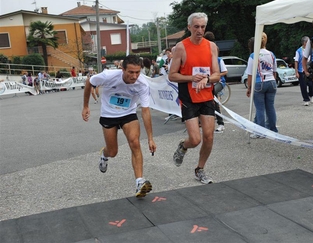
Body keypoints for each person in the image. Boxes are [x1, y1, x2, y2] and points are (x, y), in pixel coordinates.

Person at [81, 55, 156, 197]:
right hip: (109, 114)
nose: (134, 76)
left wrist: (150, 138)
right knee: (113, 152)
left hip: (128, 113)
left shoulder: (142, 84)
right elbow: (89, 82)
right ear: (122, 69)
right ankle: (104, 154)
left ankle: (140, 182)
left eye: (137, 72)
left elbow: (145, 111)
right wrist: (85, 106)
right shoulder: (108, 76)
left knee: (135, 142)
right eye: (131, 72)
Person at [168, 12, 220, 184]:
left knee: (209, 136)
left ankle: (200, 169)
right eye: (196, 27)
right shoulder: (181, 47)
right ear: (189, 27)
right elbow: (172, 75)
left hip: (206, 96)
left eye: (203, 27)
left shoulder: (211, 46)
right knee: (195, 140)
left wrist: (207, 79)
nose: (200, 30)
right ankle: (183, 146)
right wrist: (191, 78)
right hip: (189, 97)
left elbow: (216, 74)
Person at [246, 32, 278, 137]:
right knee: (270, 107)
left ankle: (260, 132)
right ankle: (273, 129)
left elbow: (250, 74)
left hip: (259, 82)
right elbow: (274, 71)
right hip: (271, 81)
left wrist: (249, 87)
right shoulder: (271, 54)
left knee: (260, 108)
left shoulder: (253, 55)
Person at [203, 31, 228, 133]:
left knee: (212, 94)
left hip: (219, 82)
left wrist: (216, 76)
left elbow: (225, 71)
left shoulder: (218, 59)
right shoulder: (205, 59)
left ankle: (221, 123)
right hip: (209, 82)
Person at [294, 36, 313, 106]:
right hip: (301, 71)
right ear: (304, 43)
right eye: (308, 42)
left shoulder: (311, 50)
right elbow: (296, 61)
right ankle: (306, 99)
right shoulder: (298, 51)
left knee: (311, 84)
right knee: (303, 86)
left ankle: (311, 95)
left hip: (309, 70)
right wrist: (296, 72)